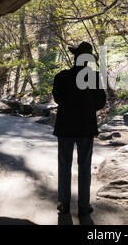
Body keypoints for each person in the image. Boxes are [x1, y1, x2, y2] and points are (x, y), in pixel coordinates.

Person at [52, 42, 106, 216]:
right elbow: (100, 103)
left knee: (64, 165)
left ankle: (64, 204)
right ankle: (83, 206)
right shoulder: (94, 78)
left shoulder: (62, 76)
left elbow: (58, 99)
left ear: (75, 57)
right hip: (86, 127)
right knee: (84, 166)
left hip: (65, 127)